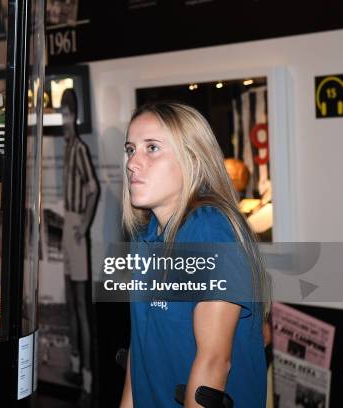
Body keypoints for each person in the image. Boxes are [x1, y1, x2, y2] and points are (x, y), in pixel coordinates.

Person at [119, 102, 270, 407]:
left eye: (152, 148)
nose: (133, 162)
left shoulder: (210, 232)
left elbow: (214, 363)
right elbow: (141, 349)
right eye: (131, 149)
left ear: (193, 159)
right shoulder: (145, 235)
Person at [60, 88, 99, 396]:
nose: (64, 120)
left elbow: (94, 188)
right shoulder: (68, 145)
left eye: (67, 114)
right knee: (71, 301)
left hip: (75, 226)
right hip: (68, 223)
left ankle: (86, 374)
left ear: (75, 116)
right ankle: (75, 367)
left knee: (81, 305)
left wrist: (83, 226)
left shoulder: (80, 149)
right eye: (62, 114)